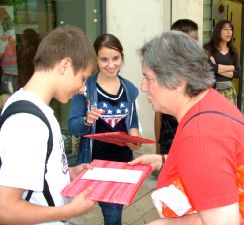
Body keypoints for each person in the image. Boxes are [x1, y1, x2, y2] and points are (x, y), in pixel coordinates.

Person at [130, 31, 244, 225]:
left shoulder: (201, 136)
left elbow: (223, 222)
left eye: (148, 78)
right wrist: (164, 160)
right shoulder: (209, 103)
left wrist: (164, 224)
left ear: (179, 82)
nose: (143, 86)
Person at [0, 25, 98, 225]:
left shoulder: (32, 107)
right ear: (64, 65)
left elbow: (35, 173)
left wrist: (69, 172)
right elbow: (6, 210)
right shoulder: (28, 123)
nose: (82, 89)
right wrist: (69, 211)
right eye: (82, 79)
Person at [68, 33, 140, 225]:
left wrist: (135, 139)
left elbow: (132, 122)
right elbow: (73, 127)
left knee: (115, 211)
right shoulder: (85, 89)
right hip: (95, 164)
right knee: (113, 213)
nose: (111, 64)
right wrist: (87, 120)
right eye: (104, 59)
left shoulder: (129, 89)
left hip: (123, 163)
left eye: (115, 58)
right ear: (96, 60)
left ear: (122, 58)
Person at [155, 19, 198, 156]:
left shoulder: (200, 71)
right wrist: (157, 144)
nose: (196, 44)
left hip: (193, 137)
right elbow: (158, 114)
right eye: (190, 40)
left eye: (196, 39)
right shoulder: (164, 71)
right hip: (169, 140)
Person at [203, 19, 240, 105]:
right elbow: (208, 67)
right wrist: (231, 67)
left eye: (230, 29)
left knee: (229, 117)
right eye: (225, 29)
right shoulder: (208, 48)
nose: (229, 32)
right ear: (218, 31)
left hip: (229, 90)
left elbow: (238, 73)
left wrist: (216, 66)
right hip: (213, 90)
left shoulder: (233, 50)